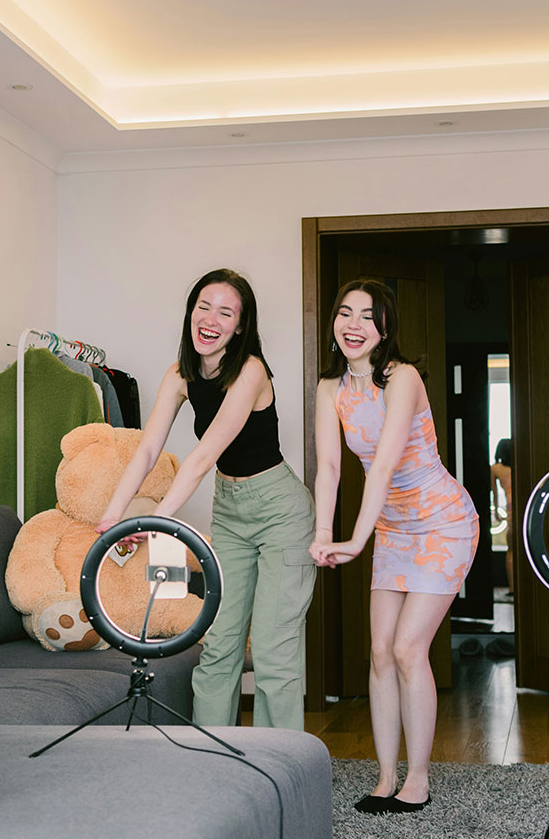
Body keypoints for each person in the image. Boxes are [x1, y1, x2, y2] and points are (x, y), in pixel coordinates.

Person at [97, 269, 316, 730]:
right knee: (219, 644)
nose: (210, 318)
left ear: (240, 326)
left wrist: (152, 523)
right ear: (190, 312)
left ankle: (280, 767)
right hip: (230, 511)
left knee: (275, 649)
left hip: (280, 511)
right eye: (203, 306)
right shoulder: (180, 374)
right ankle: (211, 758)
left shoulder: (251, 370)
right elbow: (149, 449)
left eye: (226, 311)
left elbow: (200, 458)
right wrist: (114, 516)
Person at [310, 279, 479, 816]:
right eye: (344, 313)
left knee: (408, 649)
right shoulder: (329, 389)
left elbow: (382, 463)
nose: (353, 324)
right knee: (379, 650)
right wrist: (321, 533)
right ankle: (385, 778)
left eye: (367, 315)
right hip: (392, 530)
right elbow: (331, 468)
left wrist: (355, 538)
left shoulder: (402, 378)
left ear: (384, 329)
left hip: (442, 523)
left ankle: (419, 779)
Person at [490, 437, 513, 595]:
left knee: (511, 551)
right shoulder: (520, 464)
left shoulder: (496, 469)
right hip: (525, 506)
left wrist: (497, 510)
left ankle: (512, 588)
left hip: (511, 508)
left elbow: (494, 492)